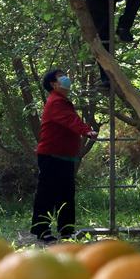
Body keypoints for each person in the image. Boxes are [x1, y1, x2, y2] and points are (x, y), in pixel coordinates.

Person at [32, 68, 98, 242]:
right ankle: (42, 230)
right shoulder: (55, 102)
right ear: (53, 84)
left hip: (64, 156)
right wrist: (86, 131)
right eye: (61, 77)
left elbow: (70, 120)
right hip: (51, 156)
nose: (66, 78)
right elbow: (71, 120)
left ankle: (67, 231)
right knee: (47, 194)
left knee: (66, 194)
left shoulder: (62, 101)